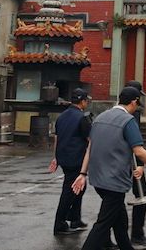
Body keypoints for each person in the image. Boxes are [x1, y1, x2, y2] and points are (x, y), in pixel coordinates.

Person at [76, 87, 146, 250]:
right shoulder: (128, 121)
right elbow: (139, 151)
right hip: (115, 181)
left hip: (98, 179)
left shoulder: (100, 117)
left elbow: (90, 148)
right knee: (103, 224)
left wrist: (83, 173)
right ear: (134, 101)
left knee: (120, 221)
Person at [50, 88, 92, 235]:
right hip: (77, 159)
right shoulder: (82, 118)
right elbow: (90, 140)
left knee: (78, 188)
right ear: (83, 101)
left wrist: (56, 157)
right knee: (69, 191)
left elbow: (57, 137)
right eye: (87, 100)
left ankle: (75, 219)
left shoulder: (62, 116)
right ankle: (59, 223)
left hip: (64, 158)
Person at [124, 80, 146, 247]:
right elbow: (135, 144)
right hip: (131, 162)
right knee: (142, 195)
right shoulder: (132, 114)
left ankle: (106, 235)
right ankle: (137, 233)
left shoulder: (113, 112)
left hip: (116, 161)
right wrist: (140, 164)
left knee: (112, 199)